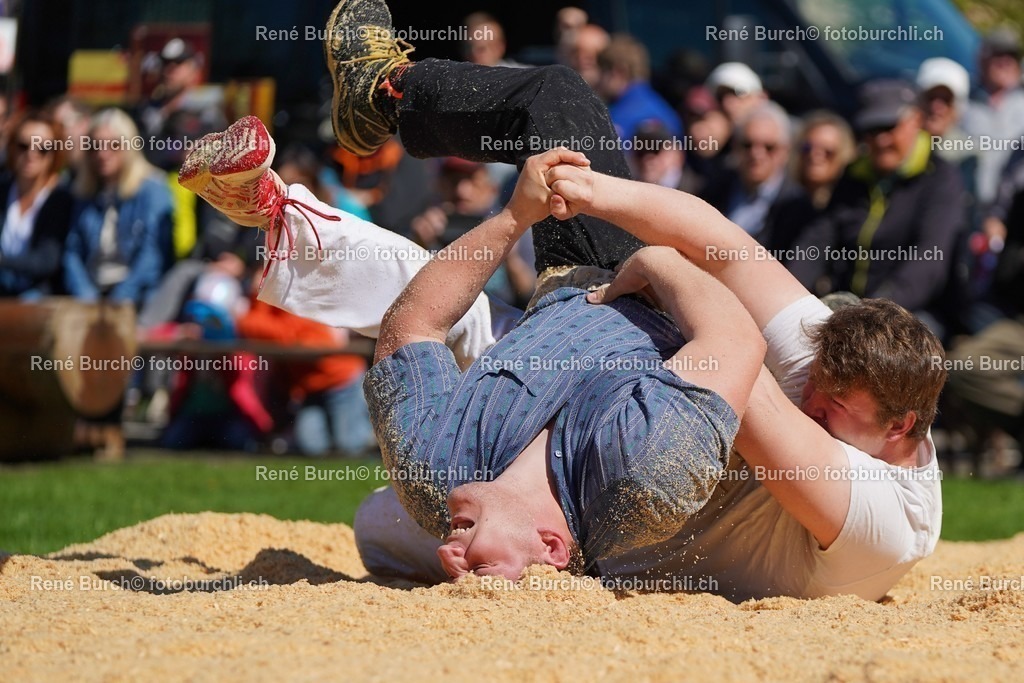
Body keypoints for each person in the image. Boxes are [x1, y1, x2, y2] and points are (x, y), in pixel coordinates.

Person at [182, 0, 946, 601]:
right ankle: (379, 98)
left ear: (900, 425)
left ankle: (292, 215)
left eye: (830, 402)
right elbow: (719, 245)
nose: (808, 394)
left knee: (386, 516)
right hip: (613, 370)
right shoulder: (826, 361)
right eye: (815, 383)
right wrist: (588, 193)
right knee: (557, 104)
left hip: (601, 427)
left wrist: (626, 250)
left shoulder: (880, 514)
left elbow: (737, 355)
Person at [791, 80, 965, 338]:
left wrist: (870, 314)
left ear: (916, 120)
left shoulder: (940, 179)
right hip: (851, 312)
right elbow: (817, 242)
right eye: (871, 130)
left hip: (916, 315)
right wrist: (789, 298)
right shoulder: (853, 177)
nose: (881, 140)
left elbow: (929, 261)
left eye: (888, 127)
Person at [64, 108, 172, 309]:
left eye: (113, 145)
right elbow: (72, 251)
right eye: (95, 146)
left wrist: (120, 299)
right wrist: (86, 296)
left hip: (138, 297)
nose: (102, 154)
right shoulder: (85, 191)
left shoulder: (152, 188)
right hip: (92, 292)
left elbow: (152, 256)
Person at [701, 101, 817, 263]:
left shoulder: (797, 206)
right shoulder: (714, 188)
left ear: (785, 151)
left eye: (769, 147)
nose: (756, 154)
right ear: (736, 147)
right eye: (748, 145)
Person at [0, 110, 74, 297]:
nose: (31, 154)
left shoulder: (62, 199)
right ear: (11, 148)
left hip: (38, 294)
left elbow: (46, 261)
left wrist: (3, 261)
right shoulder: (3, 189)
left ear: (54, 153)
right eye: (23, 146)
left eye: (42, 148)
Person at [961, 27, 1024, 211]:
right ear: (982, 58)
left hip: (1015, 213)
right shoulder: (961, 101)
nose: (1005, 62)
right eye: (998, 54)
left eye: (1011, 56)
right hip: (968, 207)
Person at [595, 34, 682, 142]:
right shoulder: (667, 112)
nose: (598, 80)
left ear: (618, 71)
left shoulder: (618, 117)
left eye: (602, 71)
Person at [793, 111, 855, 211]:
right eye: (807, 148)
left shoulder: (852, 208)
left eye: (827, 150)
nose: (814, 155)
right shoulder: (787, 208)